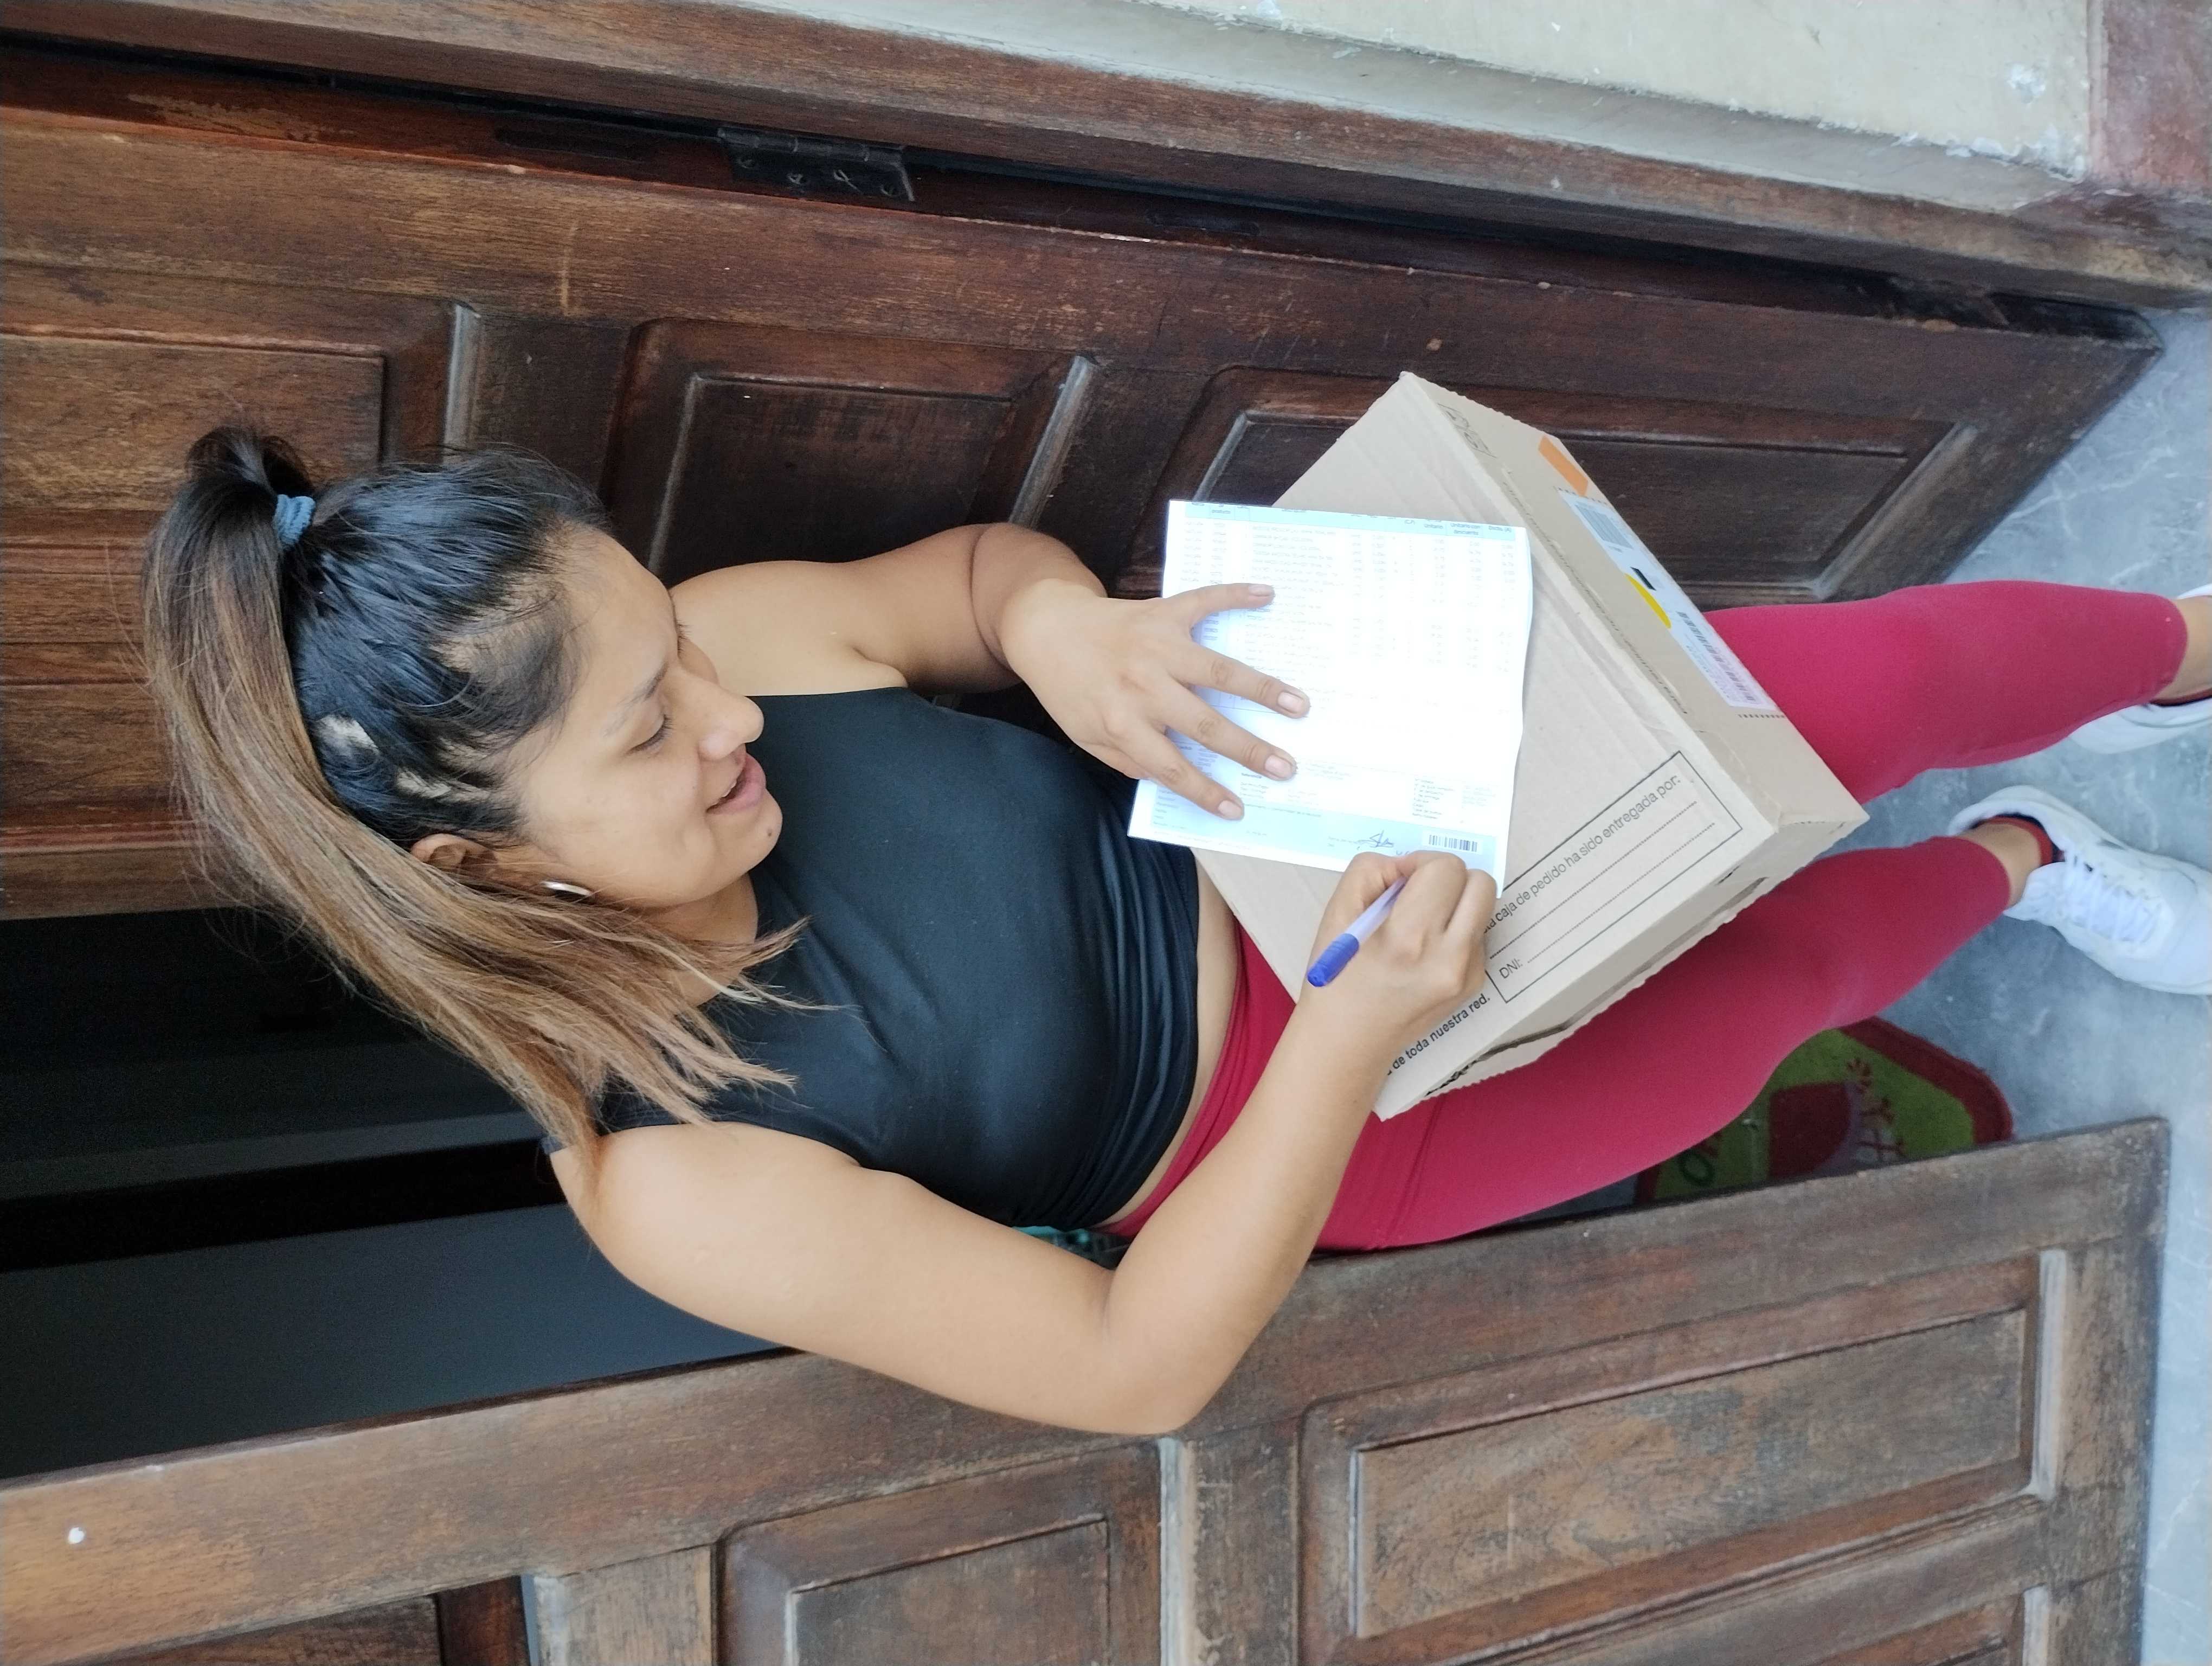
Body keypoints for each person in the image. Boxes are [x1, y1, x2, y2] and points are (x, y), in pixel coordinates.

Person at [142, 427, 2212, 1438]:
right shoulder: (667, 1178)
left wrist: (1063, 631)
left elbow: (967, 582)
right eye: (646, 726)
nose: (728, 704)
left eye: (674, 641)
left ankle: (2181, 645)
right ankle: (2028, 862)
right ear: (487, 869)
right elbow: (1131, 1366)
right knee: (1792, 986)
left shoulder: (734, 644)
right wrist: (1349, 1041)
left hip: (1310, 799)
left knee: (1858, 679)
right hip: (1348, 1123)